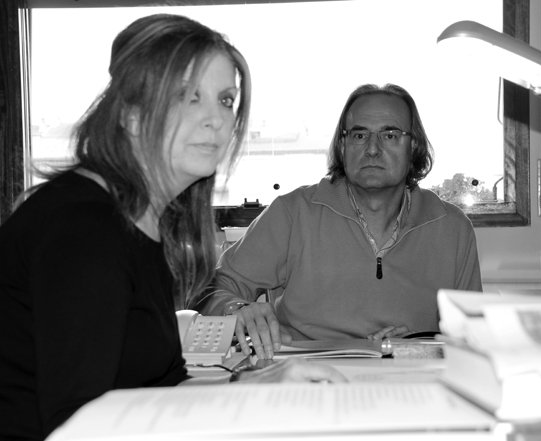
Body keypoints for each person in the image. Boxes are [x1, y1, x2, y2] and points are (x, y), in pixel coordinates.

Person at [0, 14, 343, 441]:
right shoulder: (84, 227)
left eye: (225, 100)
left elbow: (163, 386)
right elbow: (78, 425)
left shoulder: (142, 222)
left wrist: (254, 387)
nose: (216, 119)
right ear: (131, 113)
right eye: (187, 96)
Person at [202, 83, 482, 360]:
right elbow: (211, 290)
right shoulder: (293, 213)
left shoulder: (452, 228)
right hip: (305, 375)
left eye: (390, 135)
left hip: (410, 379)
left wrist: (416, 347)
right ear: (343, 145)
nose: (372, 149)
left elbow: (473, 340)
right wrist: (237, 310)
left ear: (414, 146)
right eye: (359, 135)